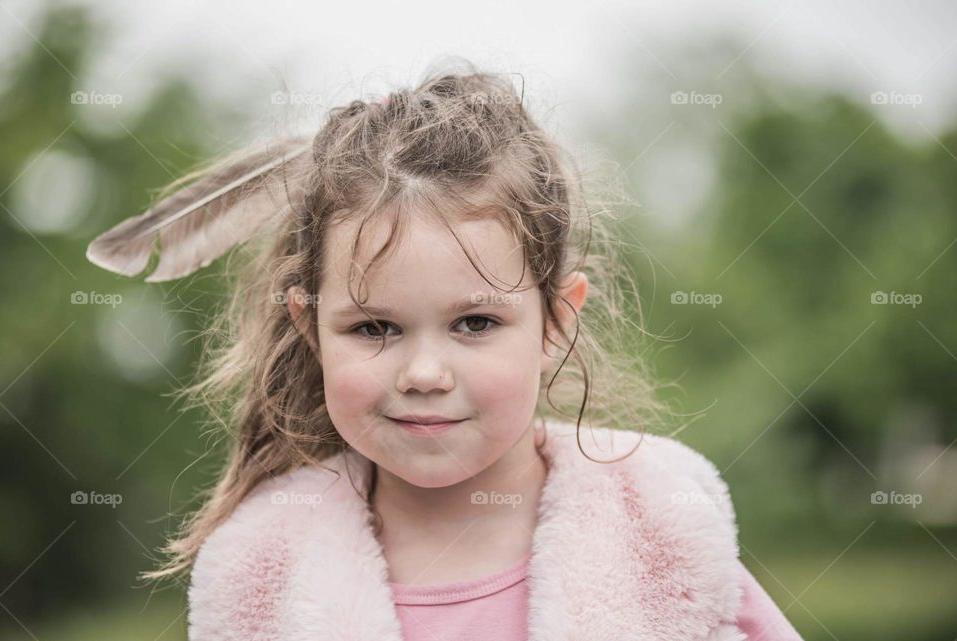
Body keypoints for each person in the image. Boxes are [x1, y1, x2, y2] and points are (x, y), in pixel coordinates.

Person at [86, 60, 804, 640]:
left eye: (475, 323)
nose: (424, 374)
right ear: (309, 329)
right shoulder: (261, 569)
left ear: (556, 320)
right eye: (374, 328)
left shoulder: (661, 523)